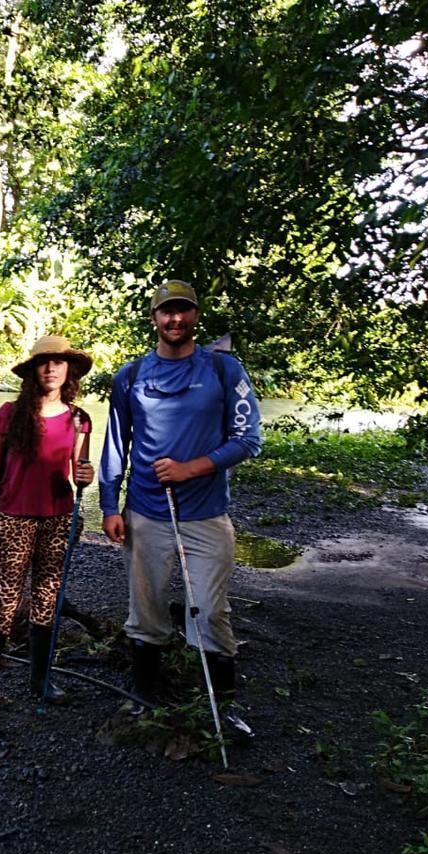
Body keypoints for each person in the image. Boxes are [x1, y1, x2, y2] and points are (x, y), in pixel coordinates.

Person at [98, 280, 262, 709]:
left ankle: (223, 708)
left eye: (183, 310)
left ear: (195, 316)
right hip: (146, 513)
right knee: (146, 612)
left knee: (210, 613)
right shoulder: (130, 376)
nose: (175, 319)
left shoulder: (225, 371)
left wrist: (192, 468)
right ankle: (144, 700)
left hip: (206, 514)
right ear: (153, 318)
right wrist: (109, 506)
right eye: (166, 311)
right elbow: (116, 444)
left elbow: (248, 439)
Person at [0, 335, 95, 714]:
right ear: (33, 371)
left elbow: (78, 470)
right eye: (44, 362)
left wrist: (86, 475)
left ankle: (41, 681)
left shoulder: (78, 418)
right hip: (13, 516)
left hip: (58, 518)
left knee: (46, 601)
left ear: (69, 370)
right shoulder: (10, 412)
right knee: (5, 601)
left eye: (58, 362)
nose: (51, 368)